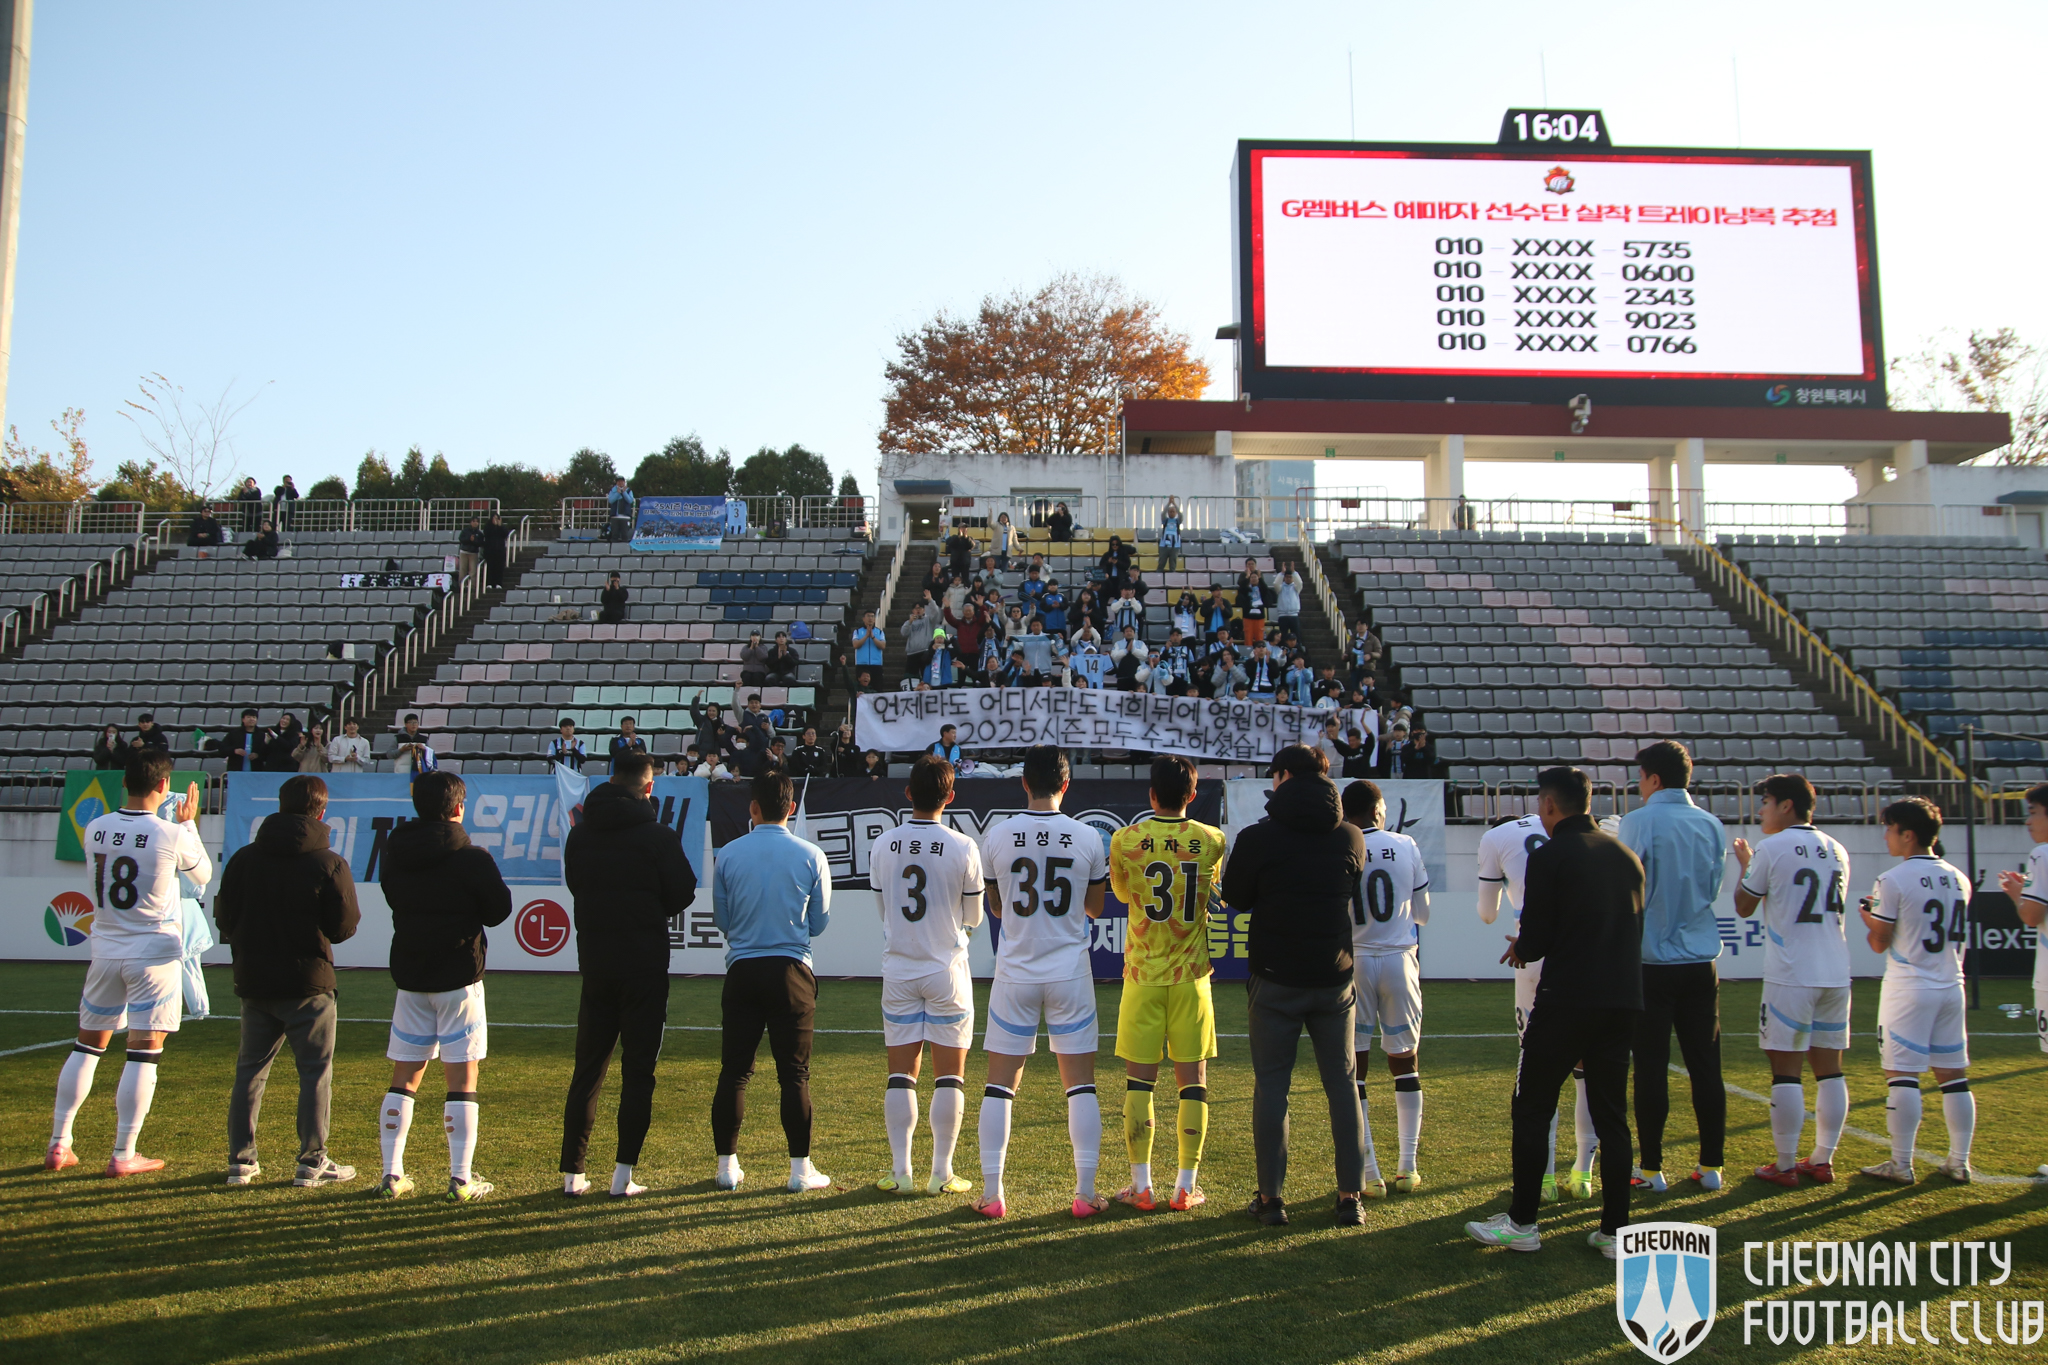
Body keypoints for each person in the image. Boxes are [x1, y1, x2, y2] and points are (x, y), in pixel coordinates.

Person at [1466, 767, 1642, 1259]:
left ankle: (1523, 1222)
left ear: (1548, 804)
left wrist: (1522, 947)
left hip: (1568, 998)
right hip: (1623, 998)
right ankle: (1616, 1232)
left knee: (1532, 1105)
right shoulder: (1626, 855)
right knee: (1612, 1115)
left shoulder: (1550, 855)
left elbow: (1538, 938)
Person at [1221, 743, 1369, 1228]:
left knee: (1272, 1086)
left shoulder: (1258, 837)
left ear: (1282, 776)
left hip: (1275, 977)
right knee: (1343, 1086)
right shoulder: (1351, 836)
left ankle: (1271, 1199)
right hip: (1334, 978)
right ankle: (1350, 1196)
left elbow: (1236, 897)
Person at [45, 752, 211, 1176]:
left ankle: (59, 1143)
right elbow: (203, 876)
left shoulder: (96, 827)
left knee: (87, 1046)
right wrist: (188, 823)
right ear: (164, 785)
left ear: (124, 782)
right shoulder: (170, 833)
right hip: (153, 955)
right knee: (143, 1053)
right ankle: (123, 1153)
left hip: (105, 950)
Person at [974, 746, 1111, 1219]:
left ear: (1023, 782)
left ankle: (992, 1194)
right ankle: (1085, 1194)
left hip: (1015, 971)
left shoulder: (997, 835)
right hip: (1070, 972)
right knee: (1081, 1086)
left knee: (999, 1086)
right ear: (1065, 785)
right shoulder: (1088, 837)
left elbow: (996, 907)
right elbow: (1095, 908)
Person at [560, 752, 697, 1197]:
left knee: (588, 1069)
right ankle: (623, 1175)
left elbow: (577, 885)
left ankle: (573, 1173)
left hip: (596, 962)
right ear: (649, 786)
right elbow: (683, 891)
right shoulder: (658, 836)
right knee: (639, 1070)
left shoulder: (580, 834)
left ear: (612, 778)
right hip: (644, 965)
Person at [215, 774, 362, 1187]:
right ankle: (312, 1160)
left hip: (255, 979)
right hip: (308, 983)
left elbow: (224, 917)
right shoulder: (329, 862)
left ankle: (241, 1161)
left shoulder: (244, 858)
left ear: (280, 806)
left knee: (250, 1071)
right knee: (314, 1073)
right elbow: (343, 927)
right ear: (321, 811)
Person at [375, 771, 513, 1201]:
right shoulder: (472, 857)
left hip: (412, 975)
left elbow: (394, 896)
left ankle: (391, 1174)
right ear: (457, 808)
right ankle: (460, 1179)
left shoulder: (396, 851)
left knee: (404, 1075)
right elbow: (498, 911)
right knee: (462, 1078)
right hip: (458, 976)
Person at [1105, 756, 1222, 1213]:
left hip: (1142, 974)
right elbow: (1212, 890)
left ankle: (1142, 1186)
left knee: (1140, 1083)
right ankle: (1185, 1187)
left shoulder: (1125, 839)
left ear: (1151, 794)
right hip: (1192, 976)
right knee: (1193, 1083)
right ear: (1192, 794)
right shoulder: (1211, 839)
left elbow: (1122, 894)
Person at [862, 756, 985, 1194]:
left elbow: (883, 911)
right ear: (950, 796)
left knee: (901, 1074)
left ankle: (900, 1173)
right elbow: (974, 917)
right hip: (946, 970)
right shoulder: (963, 846)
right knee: (949, 1076)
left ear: (908, 793)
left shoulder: (883, 844)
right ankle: (941, 1173)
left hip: (899, 969)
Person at [710, 773, 834, 1192]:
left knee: (734, 1072)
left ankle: (727, 1167)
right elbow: (818, 923)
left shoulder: (728, 854)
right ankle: (800, 1170)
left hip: (743, 970)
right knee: (794, 1074)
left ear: (753, 807)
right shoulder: (811, 854)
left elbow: (723, 920)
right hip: (791, 972)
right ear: (791, 808)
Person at [1731, 773, 1853, 1189]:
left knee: (1786, 1070)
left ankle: (1784, 1165)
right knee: (1830, 1070)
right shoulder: (1837, 848)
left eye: (1766, 801)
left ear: (1786, 805)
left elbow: (1744, 905)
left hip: (1792, 972)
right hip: (1836, 971)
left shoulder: (1772, 847)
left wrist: (1746, 865)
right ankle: (1822, 1160)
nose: (1761, 810)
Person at [1615, 740, 1727, 1192]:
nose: (1639, 786)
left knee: (1650, 1066)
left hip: (1652, 960)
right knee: (1706, 1065)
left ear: (1655, 779)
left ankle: (1651, 1169)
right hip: (1701, 959)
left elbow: (1624, 888)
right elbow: (1713, 886)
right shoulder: (1712, 824)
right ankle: (1711, 1166)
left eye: (1641, 778)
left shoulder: (1639, 821)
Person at [1476, 808, 1597, 1203]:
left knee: (1536, 1068)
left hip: (1533, 953)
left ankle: (1543, 1180)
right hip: (1584, 953)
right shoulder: (1582, 834)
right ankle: (1583, 1172)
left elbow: (1487, 914)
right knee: (1587, 1067)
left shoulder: (1497, 838)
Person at [1858, 798, 1975, 1184]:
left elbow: (1880, 941)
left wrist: (1868, 919)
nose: (1885, 836)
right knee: (1953, 1077)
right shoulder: (1959, 878)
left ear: (1908, 834)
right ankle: (1959, 1161)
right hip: (1950, 984)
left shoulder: (1892, 879)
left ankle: (1901, 1163)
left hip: (1909, 986)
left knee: (1902, 1075)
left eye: (1889, 828)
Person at [1340, 780, 1431, 1197]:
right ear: (1379, 810)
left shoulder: (1340, 846)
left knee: (1356, 1069)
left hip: (1355, 960)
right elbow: (1423, 914)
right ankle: (1407, 1168)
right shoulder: (1405, 844)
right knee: (1405, 1062)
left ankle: (1370, 1173)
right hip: (1399, 958)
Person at [1995, 783, 2048, 1178]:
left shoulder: (2042, 854)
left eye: (2033, 812)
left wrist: (2017, 892)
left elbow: (2032, 915)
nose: (2028, 820)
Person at [1236, 561, 1269, 647]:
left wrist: (1261, 578)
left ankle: (1260, 652)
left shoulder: (1261, 588)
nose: (1253, 579)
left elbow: (1265, 589)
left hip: (1259, 616)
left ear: (1258, 579)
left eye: (1255, 577)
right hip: (1248, 616)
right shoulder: (1246, 589)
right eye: (1252, 577)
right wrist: (1247, 577)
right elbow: (1241, 588)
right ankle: (1248, 652)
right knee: (1248, 637)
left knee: (1259, 637)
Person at [228, 708, 264, 772]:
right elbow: (223, 749)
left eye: (254, 717)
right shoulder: (234, 734)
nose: (251, 719)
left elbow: (267, 752)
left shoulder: (262, 735)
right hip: (236, 771)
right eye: (248, 717)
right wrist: (234, 750)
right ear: (243, 719)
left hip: (256, 771)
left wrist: (258, 755)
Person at [853, 610, 886, 681]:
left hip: (876, 664)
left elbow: (883, 646)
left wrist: (872, 637)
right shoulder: (857, 631)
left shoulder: (880, 632)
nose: (870, 618)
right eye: (868, 616)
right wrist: (866, 636)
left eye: (872, 616)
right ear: (863, 619)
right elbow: (855, 645)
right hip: (862, 664)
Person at [482, 512, 511, 588]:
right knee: (490, 567)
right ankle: (489, 583)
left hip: (500, 551)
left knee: (499, 567)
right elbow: (486, 534)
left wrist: (500, 526)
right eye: (494, 518)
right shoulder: (488, 527)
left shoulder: (502, 527)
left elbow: (505, 534)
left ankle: (498, 583)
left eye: (497, 518)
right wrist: (494, 526)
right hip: (490, 551)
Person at [1275, 567, 1303, 642]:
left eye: (1290, 577)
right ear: (1284, 578)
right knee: (1283, 635)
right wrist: (1281, 573)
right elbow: (1276, 583)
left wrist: (1294, 573)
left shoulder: (1296, 588)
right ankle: (1283, 648)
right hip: (1282, 615)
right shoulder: (1280, 588)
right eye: (1287, 577)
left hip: (1294, 615)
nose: (1288, 579)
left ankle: (1297, 647)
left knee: (1296, 634)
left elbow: (1300, 583)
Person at [606, 476, 637, 543]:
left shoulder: (629, 490)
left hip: (625, 517)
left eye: (622, 481)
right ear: (616, 483)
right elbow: (611, 500)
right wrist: (618, 493)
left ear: (624, 482)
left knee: (625, 535)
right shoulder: (613, 490)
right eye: (618, 481)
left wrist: (624, 492)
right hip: (615, 516)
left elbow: (630, 500)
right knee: (614, 535)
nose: (620, 483)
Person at [1157, 498, 1182, 573]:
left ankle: (1172, 577)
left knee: (1173, 564)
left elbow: (1181, 515)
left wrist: (1174, 503)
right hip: (1164, 545)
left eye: (1173, 511)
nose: (1172, 513)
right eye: (1170, 511)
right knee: (1161, 562)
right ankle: (1158, 575)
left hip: (1175, 546)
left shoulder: (1177, 521)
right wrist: (1168, 503)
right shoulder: (1165, 520)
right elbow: (1163, 513)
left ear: (1176, 513)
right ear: (1168, 513)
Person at [457, 517, 484, 582]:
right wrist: (469, 539)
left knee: (473, 571)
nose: (475, 523)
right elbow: (461, 539)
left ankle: (472, 585)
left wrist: (474, 540)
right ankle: (461, 584)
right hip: (464, 552)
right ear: (471, 522)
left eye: (477, 522)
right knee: (462, 570)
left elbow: (480, 543)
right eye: (474, 521)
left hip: (473, 553)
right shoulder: (465, 531)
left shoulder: (479, 534)